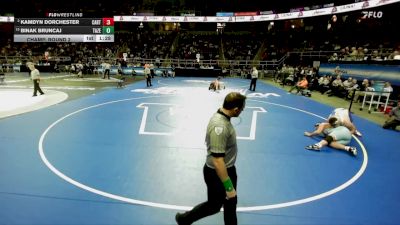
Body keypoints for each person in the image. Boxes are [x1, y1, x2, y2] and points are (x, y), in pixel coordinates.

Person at [175, 92, 247, 225]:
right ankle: (184, 219)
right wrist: (229, 187)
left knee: (230, 205)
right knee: (215, 205)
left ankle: (184, 219)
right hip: (218, 173)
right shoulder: (220, 126)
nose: (242, 111)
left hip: (226, 169)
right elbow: (218, 160)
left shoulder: (223, 116)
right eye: (242, 109)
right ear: (235, 109)